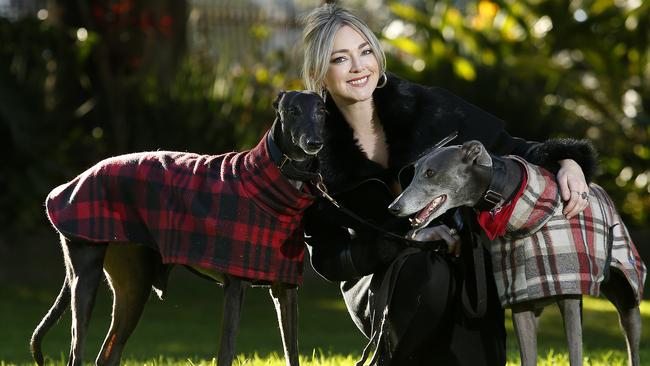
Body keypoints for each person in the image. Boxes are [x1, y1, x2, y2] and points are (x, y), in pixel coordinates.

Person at [300, 4, 596, 365]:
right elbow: (329, 259)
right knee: (425, 269)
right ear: (319, 72)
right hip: (384, 288)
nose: (359, 66)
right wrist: (398, 243)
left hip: (467, 281)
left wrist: (568, 161)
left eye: (365, 51)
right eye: (340, 59)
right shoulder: (314, 154)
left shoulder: (431, 108)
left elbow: (512, 149)